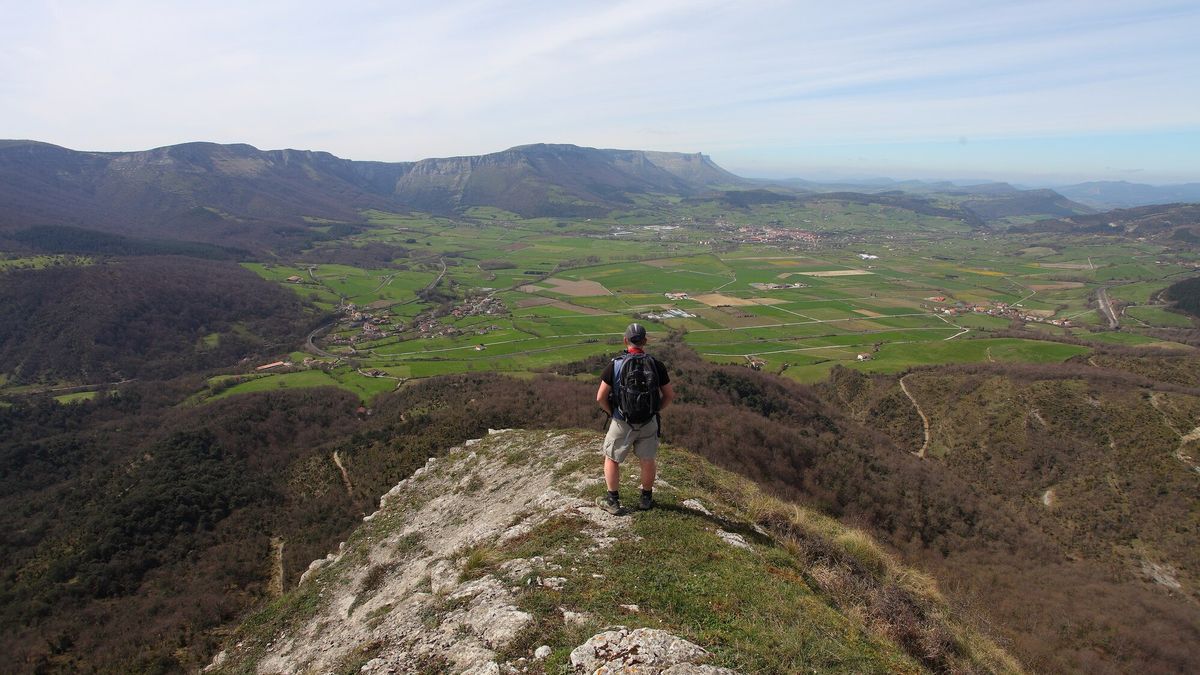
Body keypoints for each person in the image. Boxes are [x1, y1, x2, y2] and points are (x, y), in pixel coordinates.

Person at [595, 323, 673, 514]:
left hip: (622, 420)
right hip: (648, 421)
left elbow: (600, 397)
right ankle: (646, 498)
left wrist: (612, 412)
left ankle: (612, 501)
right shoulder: (656, 364)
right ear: (645, 341)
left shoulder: (615, 364)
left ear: (625, 340)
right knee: (648, 459)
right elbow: (669, 395)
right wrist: (655, 410)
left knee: (612, 458)